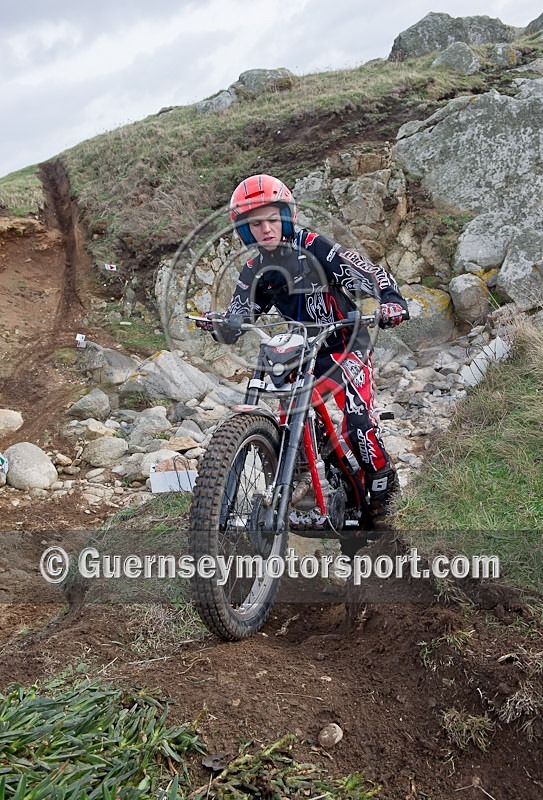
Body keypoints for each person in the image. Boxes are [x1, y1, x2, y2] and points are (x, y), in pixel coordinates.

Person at [196, 174, 409, 512]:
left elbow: (367, 272)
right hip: (300, 350)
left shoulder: (314, 245)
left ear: (286, 216)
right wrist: (223, 323)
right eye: (255, 223)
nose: (266, 229)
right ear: (244, 230)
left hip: (344, 341)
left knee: (359, 424)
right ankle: (298, 480)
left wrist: (391, 300)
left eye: (272, 219)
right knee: (287, 420)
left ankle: (384, 490)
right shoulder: (254, 269)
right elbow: (239, 316)